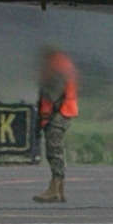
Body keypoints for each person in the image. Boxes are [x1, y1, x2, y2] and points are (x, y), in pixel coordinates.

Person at [33, 48, 80, 204]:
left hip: (60, 111)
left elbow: (53, 94)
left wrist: (45, 116)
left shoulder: (57, 66)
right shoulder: (61, 63)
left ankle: (54, 188)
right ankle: (59, 189)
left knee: (54, 150)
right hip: (63, 110)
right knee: (56, 149)